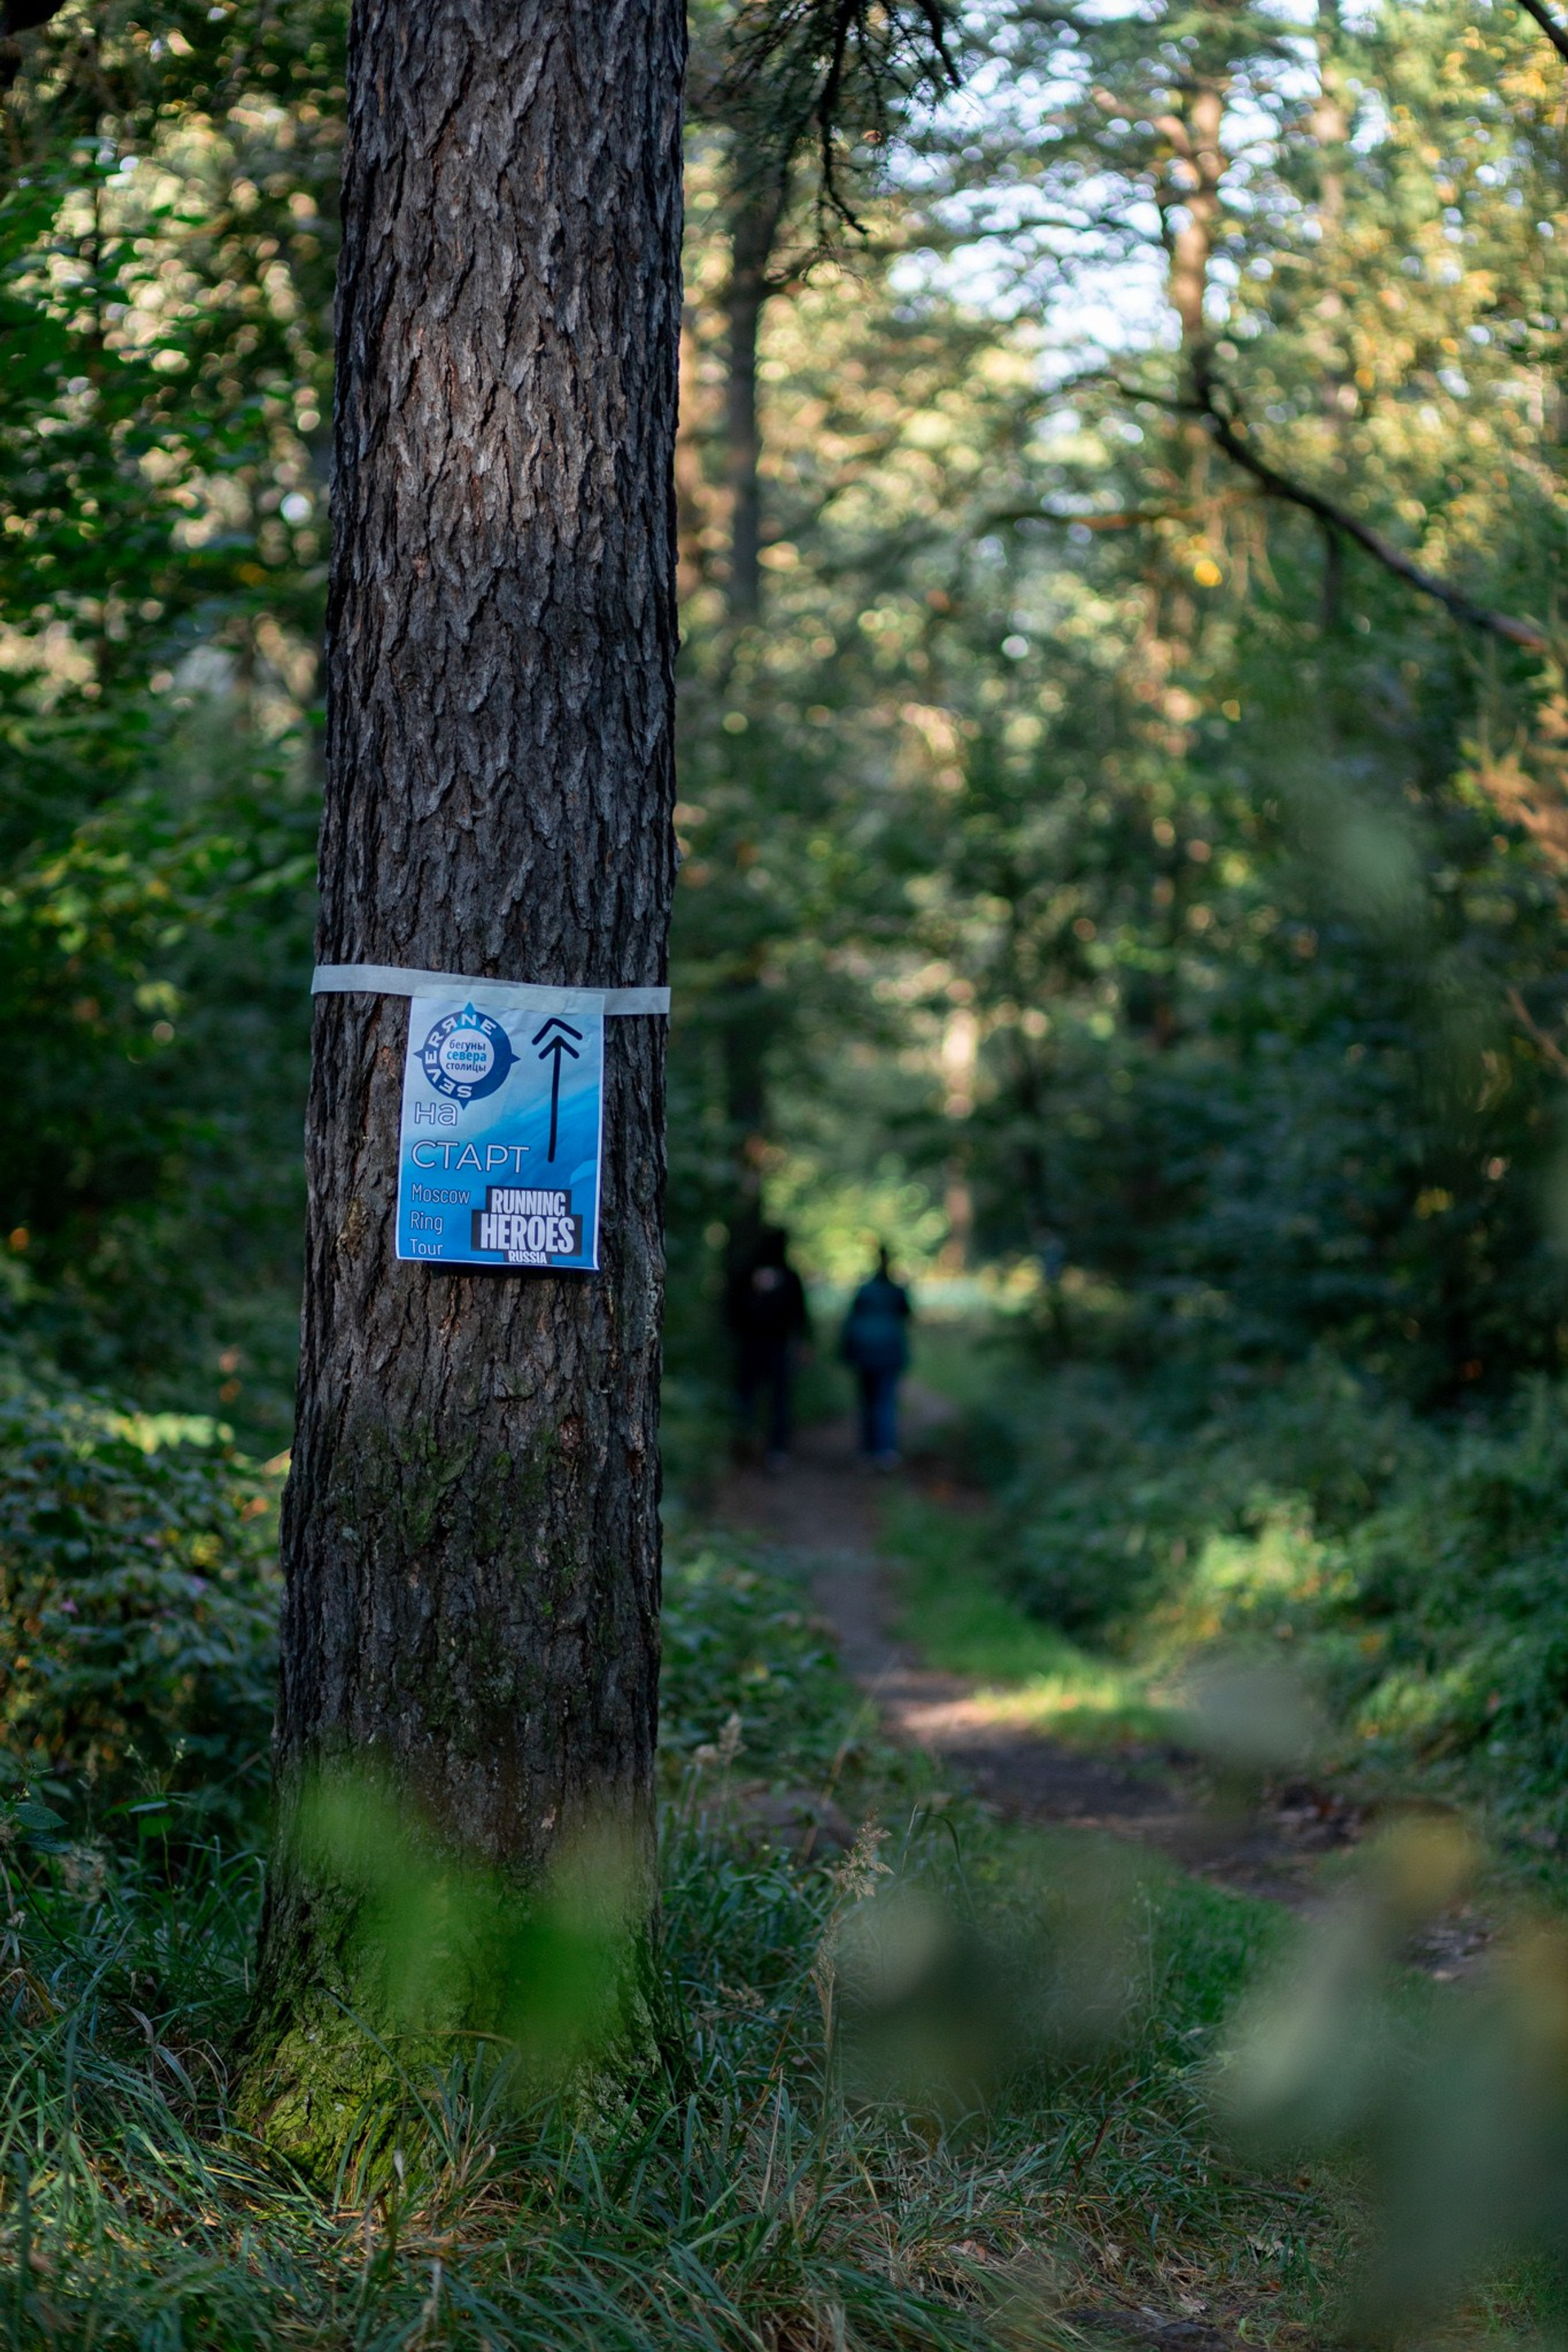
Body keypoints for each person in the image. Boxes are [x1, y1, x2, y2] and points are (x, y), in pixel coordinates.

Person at [725, 1225, 811, 1469]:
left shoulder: (760, 1273)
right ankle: (760, 1447)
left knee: (762, 1398)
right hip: (764, 1346)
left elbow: (798, 1314)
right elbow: (799, 1315)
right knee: (765, 1399)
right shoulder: (775, 1275)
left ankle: (765, 1447)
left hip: (765, 1346)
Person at [840, 1245, 912, 1468]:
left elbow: (851, 1320)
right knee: (885, 1401)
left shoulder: (864, 1290)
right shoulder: (895, 1291)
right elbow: (907, 1314)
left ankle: (869, 1449)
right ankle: (885, 1450)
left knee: (868, 1401)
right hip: (888, 1352)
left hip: (865, 1352)